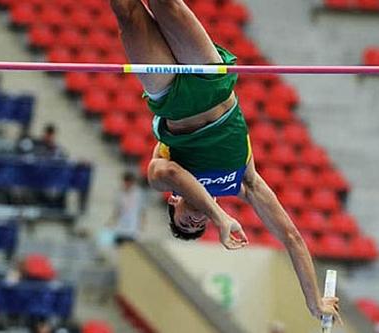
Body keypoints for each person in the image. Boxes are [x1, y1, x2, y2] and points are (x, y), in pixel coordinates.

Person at [109, 0, 341, 322]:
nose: (195, 222)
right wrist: (314, 302)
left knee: (130, 12)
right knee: (159, 7)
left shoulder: (161, 175)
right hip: (213, 90)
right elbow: (292, 237)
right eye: (197, 226)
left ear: (174, 200)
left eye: (185, 221)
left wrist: (218, 218)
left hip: (170, 98)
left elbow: (175, 173)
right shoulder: (246, 183)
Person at [108, 171, 146, 245]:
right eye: (125, 182)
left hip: (132, 227)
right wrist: (112, 220)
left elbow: (142, 210)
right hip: (120, 226)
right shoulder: (119, 193)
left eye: (129, 182)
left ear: (132, 182)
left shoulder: (139, 194)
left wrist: (142, 224)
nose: (127, 184)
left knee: (131, 249)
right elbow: (117, 209)